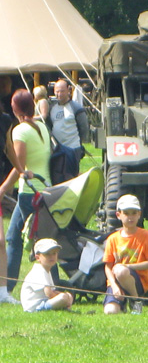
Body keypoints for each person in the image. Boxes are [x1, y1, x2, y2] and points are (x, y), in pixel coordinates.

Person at [0, 90, 53, 303]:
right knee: (36, 238)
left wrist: (3, 188)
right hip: (45, 188)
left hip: (29, 192)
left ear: (14, 109)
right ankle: (9, 287)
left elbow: (19, 166)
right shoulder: (42, 126)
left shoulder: (20, 130)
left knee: (16, 238)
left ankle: (7, 287)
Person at [102, 194, 148, 315]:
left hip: (137, 281)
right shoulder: (112, 239)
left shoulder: (146, 235)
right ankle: (121, 304)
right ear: (118, 215)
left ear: (139, 214)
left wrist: (127, 267)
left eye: (134, 213)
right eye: (126, 213)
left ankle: (135, 300)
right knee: (110, 311)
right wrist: (114, 286)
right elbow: (108, 267)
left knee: (120, 270)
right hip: (117, 282)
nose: (130, 217)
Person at [47, 78, 91, 183]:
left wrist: (80, 144)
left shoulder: (76, 108)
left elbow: (84, 128)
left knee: (71, 177)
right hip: (57, 149)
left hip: (73, 148)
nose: (59, 94)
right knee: (57, 178)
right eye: (57, 91)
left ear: (68, 90)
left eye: (62, 91)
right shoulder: (52, 108)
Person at [21, 238, 73, 312]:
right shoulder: (39, 271)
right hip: (36, 307)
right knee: (63, 297)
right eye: (47, 254)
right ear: (38, 257)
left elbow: (53, 291)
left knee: (68, 295)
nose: (51, 256)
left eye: (54, 253)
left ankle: (63, 306)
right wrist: (63, 298)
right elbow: (49, 293)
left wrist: (67, 296)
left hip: (44, 301)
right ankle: (61, 306)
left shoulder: (47, 270)